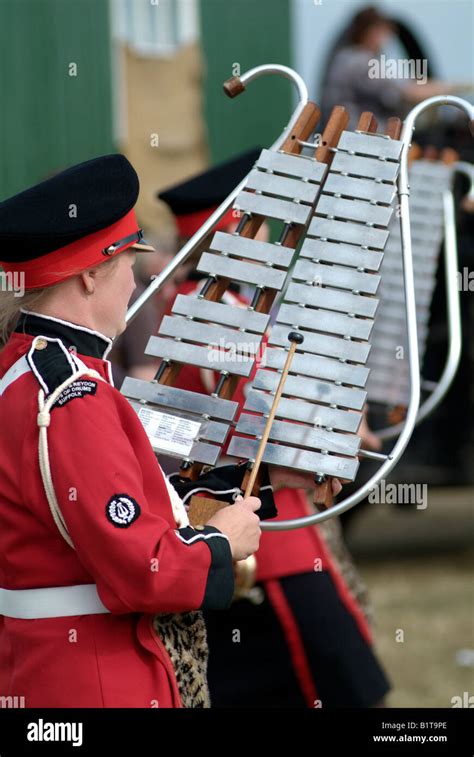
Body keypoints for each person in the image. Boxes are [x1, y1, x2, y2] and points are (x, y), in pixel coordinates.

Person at [0, 153, 305, 708]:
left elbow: (106, 511)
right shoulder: (70, 395)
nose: (138, 279)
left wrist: (228, 491)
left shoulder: (37, 369)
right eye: (127, 262)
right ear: (91, 273)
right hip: (93, 676)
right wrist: (221, 543)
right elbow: (144, 568)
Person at [156, 151, 391, 708]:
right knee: (334, 686)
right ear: (234, 233)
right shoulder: (207, 310)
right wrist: (331, 433)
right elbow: (259, 418)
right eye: (260, 224)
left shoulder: (228, 303)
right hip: (266, 536)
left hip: (282, 524)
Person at [319, 5, 471, 129]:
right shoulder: (360, 62)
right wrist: (456, 87)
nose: (386, 40)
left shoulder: (346, 58)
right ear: (373, 32)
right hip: (356, 144)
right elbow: (409, 92)